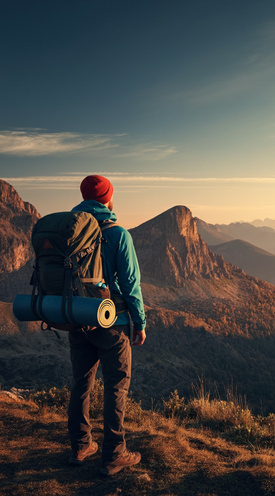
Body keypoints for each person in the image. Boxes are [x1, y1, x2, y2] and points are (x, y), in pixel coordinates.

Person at [67, 175, 146, 476]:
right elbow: (130, 284)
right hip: (112, 324)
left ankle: (80, 446)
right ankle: (114, 454)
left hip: (77, 319)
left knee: (81, 383)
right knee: (115, 387)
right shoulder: (117, 234)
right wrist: (139, 322)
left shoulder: (71, 233)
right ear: (108, 199)